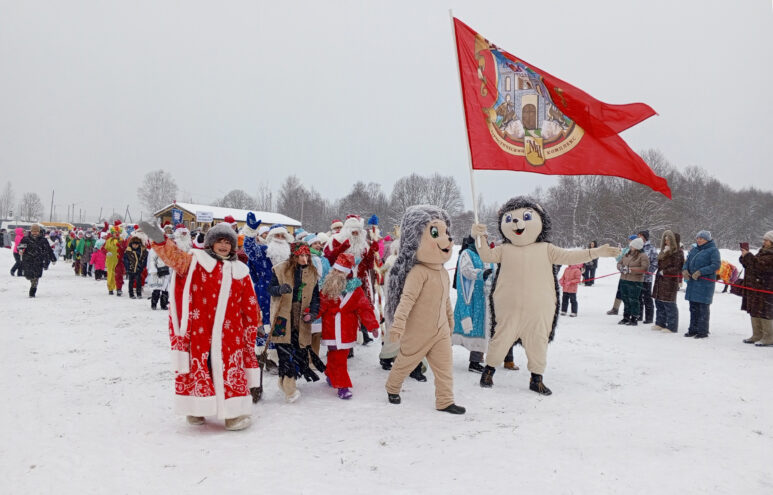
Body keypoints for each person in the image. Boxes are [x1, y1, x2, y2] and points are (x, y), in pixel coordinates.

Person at [140, 220, 260, 431]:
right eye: (219, 241)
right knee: (201, 367)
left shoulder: (241, 270)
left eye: (228, 242)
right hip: (200, 328)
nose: (224, 246)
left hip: (230, 333)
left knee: (229, 369)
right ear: (211, 243)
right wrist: (160, 240)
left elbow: (249, 301)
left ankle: (232, 414)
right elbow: (174, 258)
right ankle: (196, 409)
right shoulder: (196, 261)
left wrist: (253, 323)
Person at [319, 253, 380, 399]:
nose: (336, 274)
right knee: (336, 356)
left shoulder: (356, 290)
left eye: (340, 272)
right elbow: (320, 306)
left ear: (347, 274)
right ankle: (338, 381)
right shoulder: (327, 287)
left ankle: (336, 379)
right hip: (331, 328)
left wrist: (372, 326)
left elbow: (364, 308)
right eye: (335, 271)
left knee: (340, 356)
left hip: (346, 329)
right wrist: (309, 316)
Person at [269, 242, 321, 403]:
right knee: (284, 350)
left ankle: (284, 380)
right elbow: (270, 289)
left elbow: (315, 298)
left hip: (301, 317)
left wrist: (312, 313)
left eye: (307, 256)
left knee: (298, 350)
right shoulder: (280, 269)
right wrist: (279, 289)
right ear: (294, 256)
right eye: (300, 256)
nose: (304, 259)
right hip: (282, 316)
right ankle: (290, 388)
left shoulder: (312, 273)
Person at [452, 236, 495, 372]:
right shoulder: (468, 253)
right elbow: (465, 271)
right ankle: (439, 354)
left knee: (483, 330)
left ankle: (476, 360)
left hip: (486, 298)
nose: (485, 243)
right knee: (474, 328)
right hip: (472, 297)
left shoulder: (488, 254)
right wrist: (481, 274)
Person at [682, 230, 721, 339]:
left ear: (707, 240)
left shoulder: (713, 251)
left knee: (702, 308)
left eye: (701, 238)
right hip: (693, 283)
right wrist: (685, 270)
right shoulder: (694, 250)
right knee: (693, 307)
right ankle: (693, 329)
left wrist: (701, 271)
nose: (698, 240)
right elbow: (686, 262)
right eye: (698, 238)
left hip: (705, 284)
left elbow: (716, 265)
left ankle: (703, 331)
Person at [739, 231, 773, 346]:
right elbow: (752, 265)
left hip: (766, 287)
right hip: (755, 287)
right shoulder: (762, 252)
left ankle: (769, 337)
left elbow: (761, 266)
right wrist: (744, 257)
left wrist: (749, 256)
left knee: (765, 312)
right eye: (764, 240)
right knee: (755, 309)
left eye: (766, 240)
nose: (764, 242)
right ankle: (757, 334)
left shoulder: (771, 254)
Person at [651, 231, 684, 333]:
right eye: (665, 239)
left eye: (668, 239)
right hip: (660, 280)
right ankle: (660, 322)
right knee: (659, 302)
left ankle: (672, 326)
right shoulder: (663, 251)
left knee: (669, 304)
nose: (666, 241)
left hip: (670, 281)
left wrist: (664, 272)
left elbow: (677, 267)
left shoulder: (678, 252)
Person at [617, 237, 650, 326]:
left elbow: (644, 268)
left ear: (637, 247)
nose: (630, 247)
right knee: (625, 298)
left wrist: (630, 269)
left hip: (635, 281)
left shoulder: (643, 256)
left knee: (633, 299)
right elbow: (620, 262)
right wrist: (621, 268)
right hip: (624, 279)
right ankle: (626, 317)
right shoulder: (627, 254)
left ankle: (634, 317)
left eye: (632, 246)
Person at [18, 224, 56, 297]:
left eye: (36, 231)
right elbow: (20, 246)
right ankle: (32, 281)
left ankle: (32, 291)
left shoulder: (43, 240)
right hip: (28, 260)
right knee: (28, 276)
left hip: (38, 261)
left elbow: (49, 250)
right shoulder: (26, 239)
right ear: (31, 231)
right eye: (33, 231)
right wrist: (20, 250)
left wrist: (53, 258)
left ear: (39, 232)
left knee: (36, 277)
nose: (35, 233)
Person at [606, 235, 638, 315]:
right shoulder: (627, 249)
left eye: (631, 240)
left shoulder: (637, 251)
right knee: (620, 291)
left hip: (631, 276)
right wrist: (618, 252)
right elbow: (619, 259)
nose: (629, 241)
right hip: (623, 274)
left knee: (630, 294)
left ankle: (631, 311)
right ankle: (615, 308)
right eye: (629, 240)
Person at [637, 230, 658, 324]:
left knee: (647, 298)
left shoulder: (651, 248)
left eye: (640, 236)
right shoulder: (636, 247)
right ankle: (638, 315)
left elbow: (655, 262)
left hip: (646, 278)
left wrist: (649, 271)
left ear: (645, 237)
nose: (639, 237)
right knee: (638, 297)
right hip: (636, 277)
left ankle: (649, 318)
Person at [123, 235, 148, 299]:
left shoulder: (143, 251)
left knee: (138, 281)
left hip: (139, 268)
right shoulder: (128, 251)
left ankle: (139, 293)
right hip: (131, 268)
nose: (135, 245)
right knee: (131, 281)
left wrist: (142, 266)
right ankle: (131, 294)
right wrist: (127, 268)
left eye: (136, 244)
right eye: (133, 244)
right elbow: (126, 260)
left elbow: (145, 259)